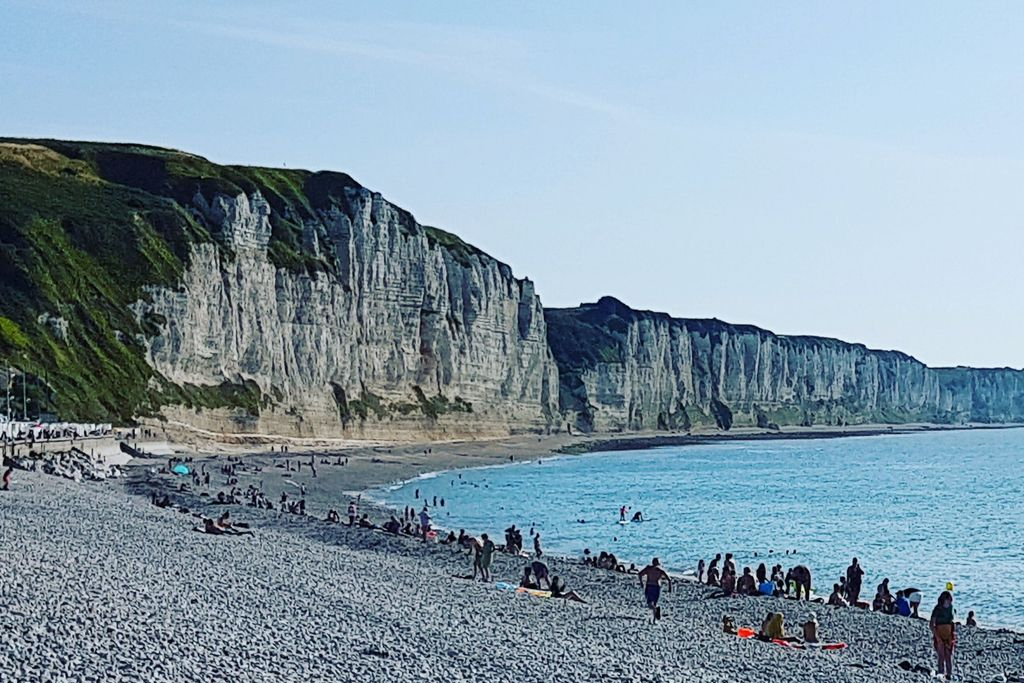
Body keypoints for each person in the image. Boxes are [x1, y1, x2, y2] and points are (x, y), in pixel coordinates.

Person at [930, 591, 956, 680]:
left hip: (948, 632)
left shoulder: (951, 608)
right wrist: (937, 637)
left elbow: (951, 621)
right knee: (941, 655)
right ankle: (941, 673)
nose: (949, 602)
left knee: (948, 655)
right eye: (947, 600)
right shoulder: (937, 609)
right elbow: (931, 624)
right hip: (939, 632)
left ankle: (949, 674)